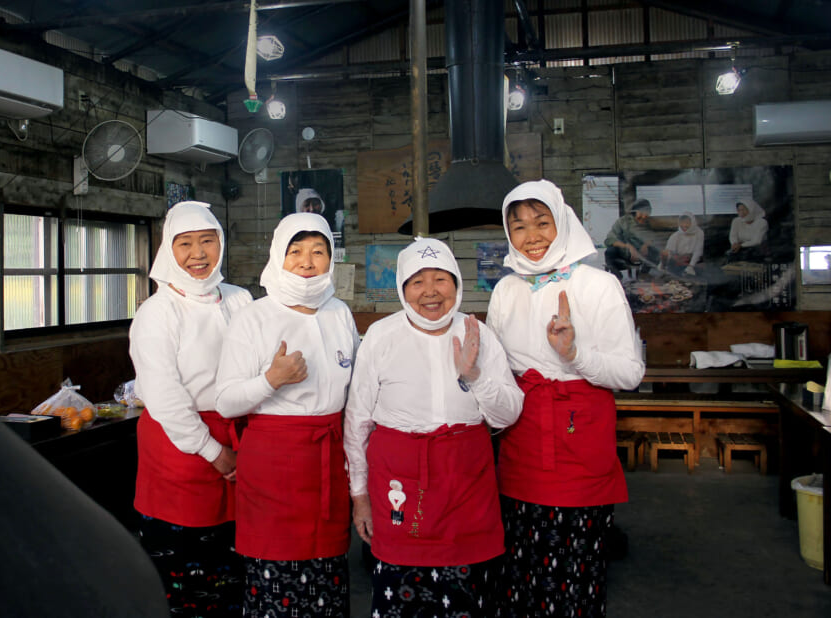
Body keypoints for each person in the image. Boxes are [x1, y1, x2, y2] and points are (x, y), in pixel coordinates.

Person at [488, 180, 645, 618]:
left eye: (542, 222)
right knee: (520, 568)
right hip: (521, 439)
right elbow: (498, 371)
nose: (531, 236)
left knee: (575, 569)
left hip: (580, 441)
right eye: (518, 226)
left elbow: (630, 374)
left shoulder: (599, 285)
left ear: (564, 223)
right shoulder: (506, 290)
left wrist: (574, 354)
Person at [344, 237, 523, 617]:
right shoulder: (381, 336)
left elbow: (507, 414)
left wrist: (474, 375)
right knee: (399, 595)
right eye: (417, 281)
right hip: (399, 485)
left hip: (465, 484)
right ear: (402, 289)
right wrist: (359, 495)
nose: (430, 292)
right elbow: (357, 421)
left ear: (456, 283)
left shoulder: (479, 334)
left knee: (467, 596)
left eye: (440, 279)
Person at [215, 212, 359, 617]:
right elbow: (225, 400)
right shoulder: (255, 317)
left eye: (318, 251)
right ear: (278, 255)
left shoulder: (339, 313)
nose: (307, 261)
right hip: (274, 467)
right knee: (274, 573)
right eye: (295, 251)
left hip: (329, 460)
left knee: (328, 571)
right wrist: (271, 380)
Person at [128, 201, 252, 617]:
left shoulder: (239, 299)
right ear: (169, 249)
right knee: (185, 573)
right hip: (179, 445)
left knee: (236, 567)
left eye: (207, 241)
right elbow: (164, 395)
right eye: (185, 244)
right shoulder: (157, 312)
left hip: (238, 440)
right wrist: (214, 452)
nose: (198, 254)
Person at [604, 197, 660, 280]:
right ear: (635, 212)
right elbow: (609, 240)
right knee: (610, 251)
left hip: (641, 255)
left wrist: (646, 245)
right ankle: (616, 275)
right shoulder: (622, 222)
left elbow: (654, 238)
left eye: (646, 214)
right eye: (640, 215)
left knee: (655, 252)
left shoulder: (648, 223)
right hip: (623, 254)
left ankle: (643, 274)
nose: (643, 217)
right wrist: (628, 247)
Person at [660, 211, 704, 276]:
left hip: (694, 262)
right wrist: (663, 261)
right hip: (678, 262)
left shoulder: (699, 233)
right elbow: (669, 252)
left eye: (687, 222)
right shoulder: (675, 236)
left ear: (692, 222)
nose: (684, 225)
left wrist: (691, 266)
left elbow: (698, 251)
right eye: (682, 222)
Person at [726, 198, 769, 262]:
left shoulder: (762, 222)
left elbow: (757, 241)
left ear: (751, 209)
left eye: (744, 210)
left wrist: (740, 245)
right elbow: (733, 236)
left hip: (758, 252)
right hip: (740, 250)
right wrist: (734, 243)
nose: (741, 213)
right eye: (739, 210)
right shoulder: (736, 221)